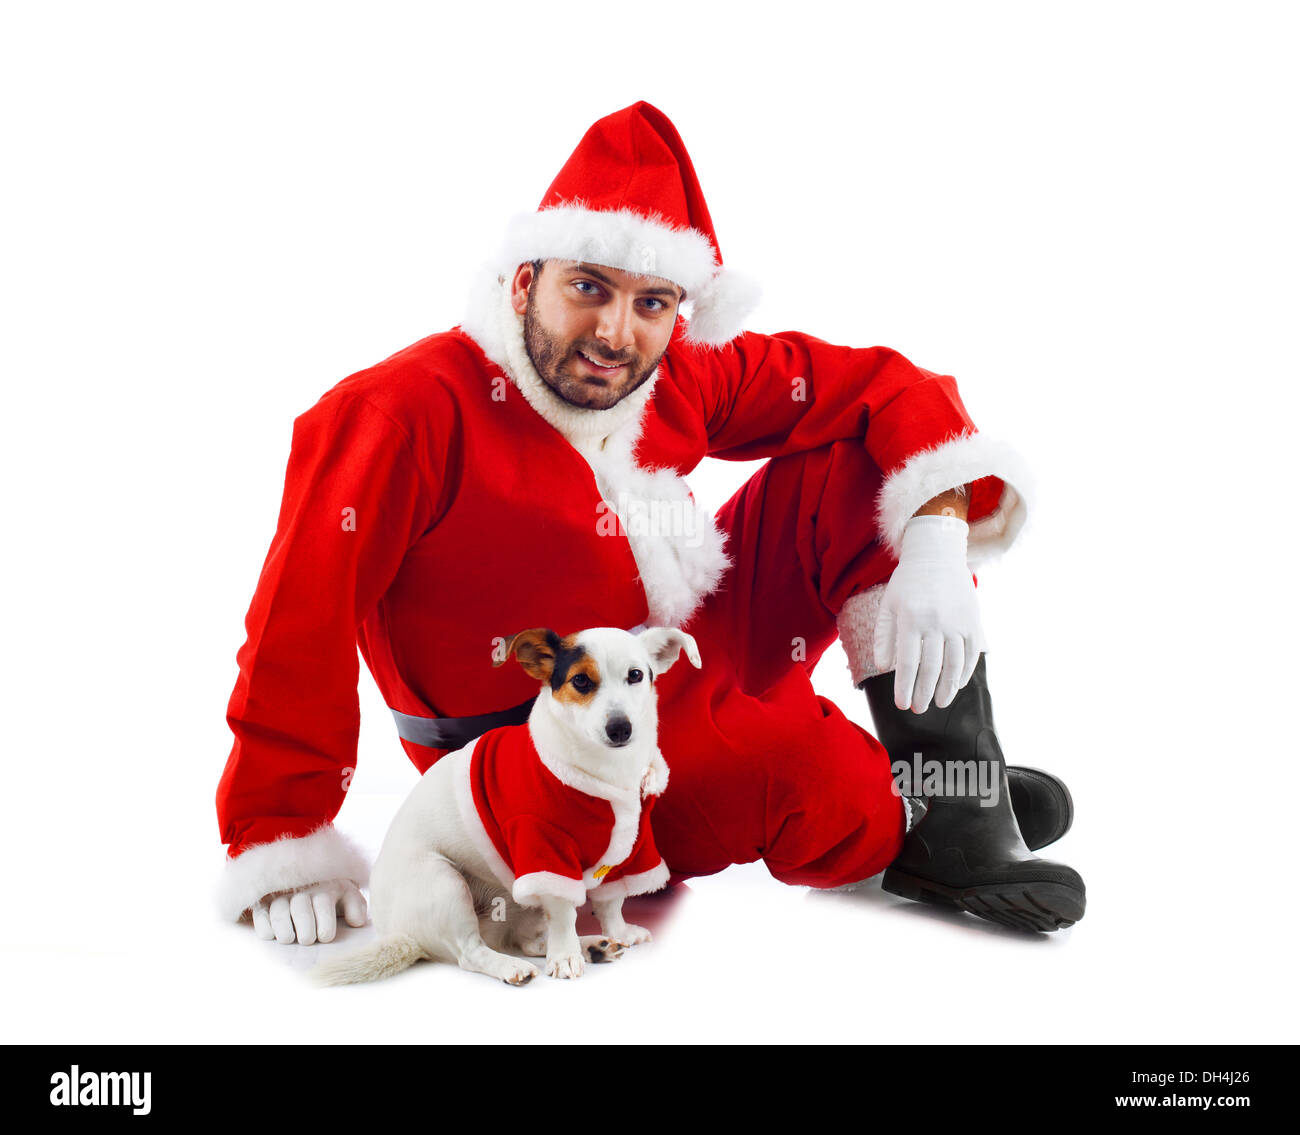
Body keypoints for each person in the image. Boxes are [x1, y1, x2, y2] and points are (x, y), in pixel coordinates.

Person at [216, 101, 1085, 945]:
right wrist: (280, 837)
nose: (614, 333)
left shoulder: (671, 370)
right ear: (525, 281)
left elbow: (883, 383)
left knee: (863, 462)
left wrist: (934, 537)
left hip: (669, 644)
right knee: (807, 778)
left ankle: (959, 804)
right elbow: (302, 613)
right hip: (543, 739)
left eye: (652, 303)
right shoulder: (404, 411)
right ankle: (896, 817)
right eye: (588, 288)